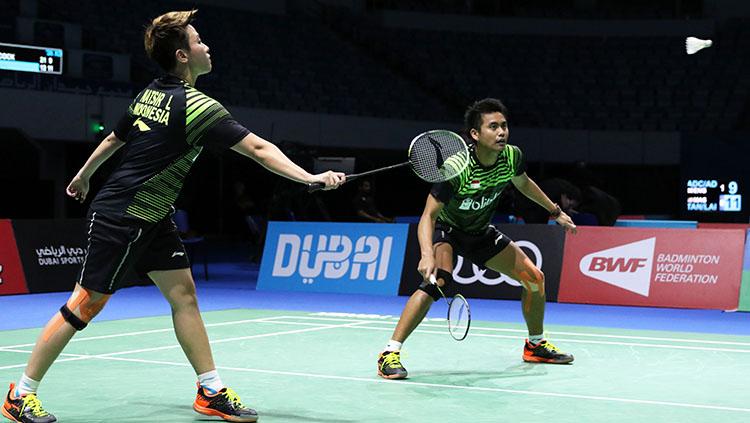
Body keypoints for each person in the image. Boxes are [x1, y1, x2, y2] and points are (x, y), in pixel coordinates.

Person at [2, 10, 344, 423]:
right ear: (183, 55)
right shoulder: (197, 106)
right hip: (123, 215)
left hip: (154, 215)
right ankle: (20, 394)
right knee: (85, 303)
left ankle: (210, 390)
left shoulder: (150, 93)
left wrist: (82, 174)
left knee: (184, 295)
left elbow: (115, 137)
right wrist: (310, 177)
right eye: (199, 41)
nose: (207, 47)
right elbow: (257, 149)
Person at [377, 98, 576, 380]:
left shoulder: (511, 156)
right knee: (437, 282)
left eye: (504, 126)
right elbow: (428, 216)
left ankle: (535, 345)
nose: (501, 132)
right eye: (493, 127)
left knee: (535, 278)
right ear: (475, 134)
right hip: (449, 232)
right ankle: (390, 353)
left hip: (480, 232)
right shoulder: (457, 168)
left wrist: (556, 211)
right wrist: (426, 253)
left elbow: (523, 183)